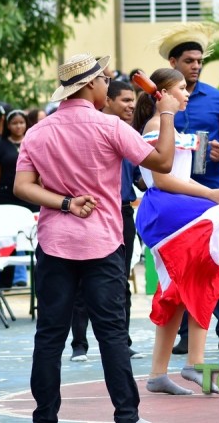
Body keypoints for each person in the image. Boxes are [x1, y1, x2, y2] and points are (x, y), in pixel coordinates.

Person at [14, 53, 180, 423]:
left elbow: (22, 186)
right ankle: (126, 414)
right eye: (104, 79)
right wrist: (166, 113)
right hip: (101, 242)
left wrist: (64, 202)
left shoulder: (38, 131)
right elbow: (163, 161)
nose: (107, 84)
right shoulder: (110, 127)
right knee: (112, 334)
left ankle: (45, 415)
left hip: (55, 242)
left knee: (49, 335)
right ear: (90, 84)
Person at [133, 68, 219, 395]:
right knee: (187, 281)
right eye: (181, 88)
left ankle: (169, 370)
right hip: (167, 212)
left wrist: (210, 194)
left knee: (183, 288)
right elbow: (163, 180)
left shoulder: (166, 125)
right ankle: (189, 364)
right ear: (163, 94)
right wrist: (210, 194)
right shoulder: (157, 126)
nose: (188, 93)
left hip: (173, 209)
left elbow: (179, 177)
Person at [155, 23, 219, 356]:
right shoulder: (158, 101)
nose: (196, 66)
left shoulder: (218, 99)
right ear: (173, 62)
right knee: (183, 262)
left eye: (199, 61)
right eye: (189, 61)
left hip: (212, 186)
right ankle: (184, 333)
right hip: (176, 192)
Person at [69, 80, 144, 361]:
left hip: (122, 213)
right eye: (125, 100)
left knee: (120, 279)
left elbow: (140, 178)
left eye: (133, 100)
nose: (131, 105)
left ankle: (122, 341)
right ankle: (79, 343)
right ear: (108, 100)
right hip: (90, 210)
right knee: (81, 281)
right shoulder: (93, 130)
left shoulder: (129, 134)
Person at [0, 108, 35, 288]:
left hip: (30, 196)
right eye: (14, 123)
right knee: (7, 238)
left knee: (32, 236)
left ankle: (31, 279)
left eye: (21, 122)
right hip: (7, 195)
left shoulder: (32, 142)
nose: (18, 126)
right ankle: (5, 281)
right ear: (8, 125)